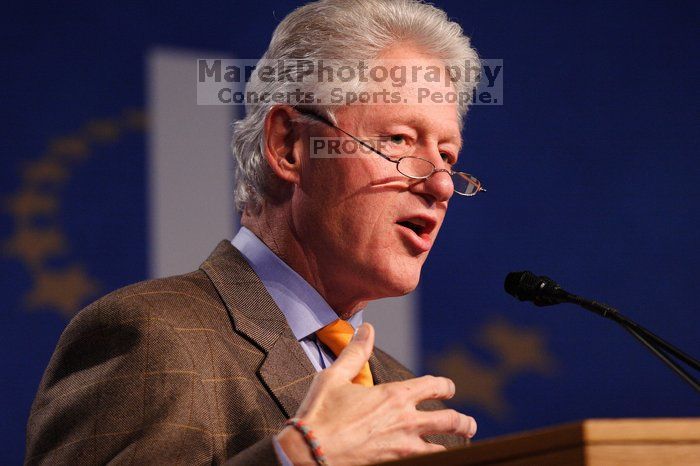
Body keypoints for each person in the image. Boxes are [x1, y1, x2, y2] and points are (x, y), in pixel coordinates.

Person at [25, 0, 484, 464]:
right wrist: (296, 457)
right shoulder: (153, 337)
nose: (441, 184)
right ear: (288, 145)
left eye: (447, 156)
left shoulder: (424, 419)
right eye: (398, 140)